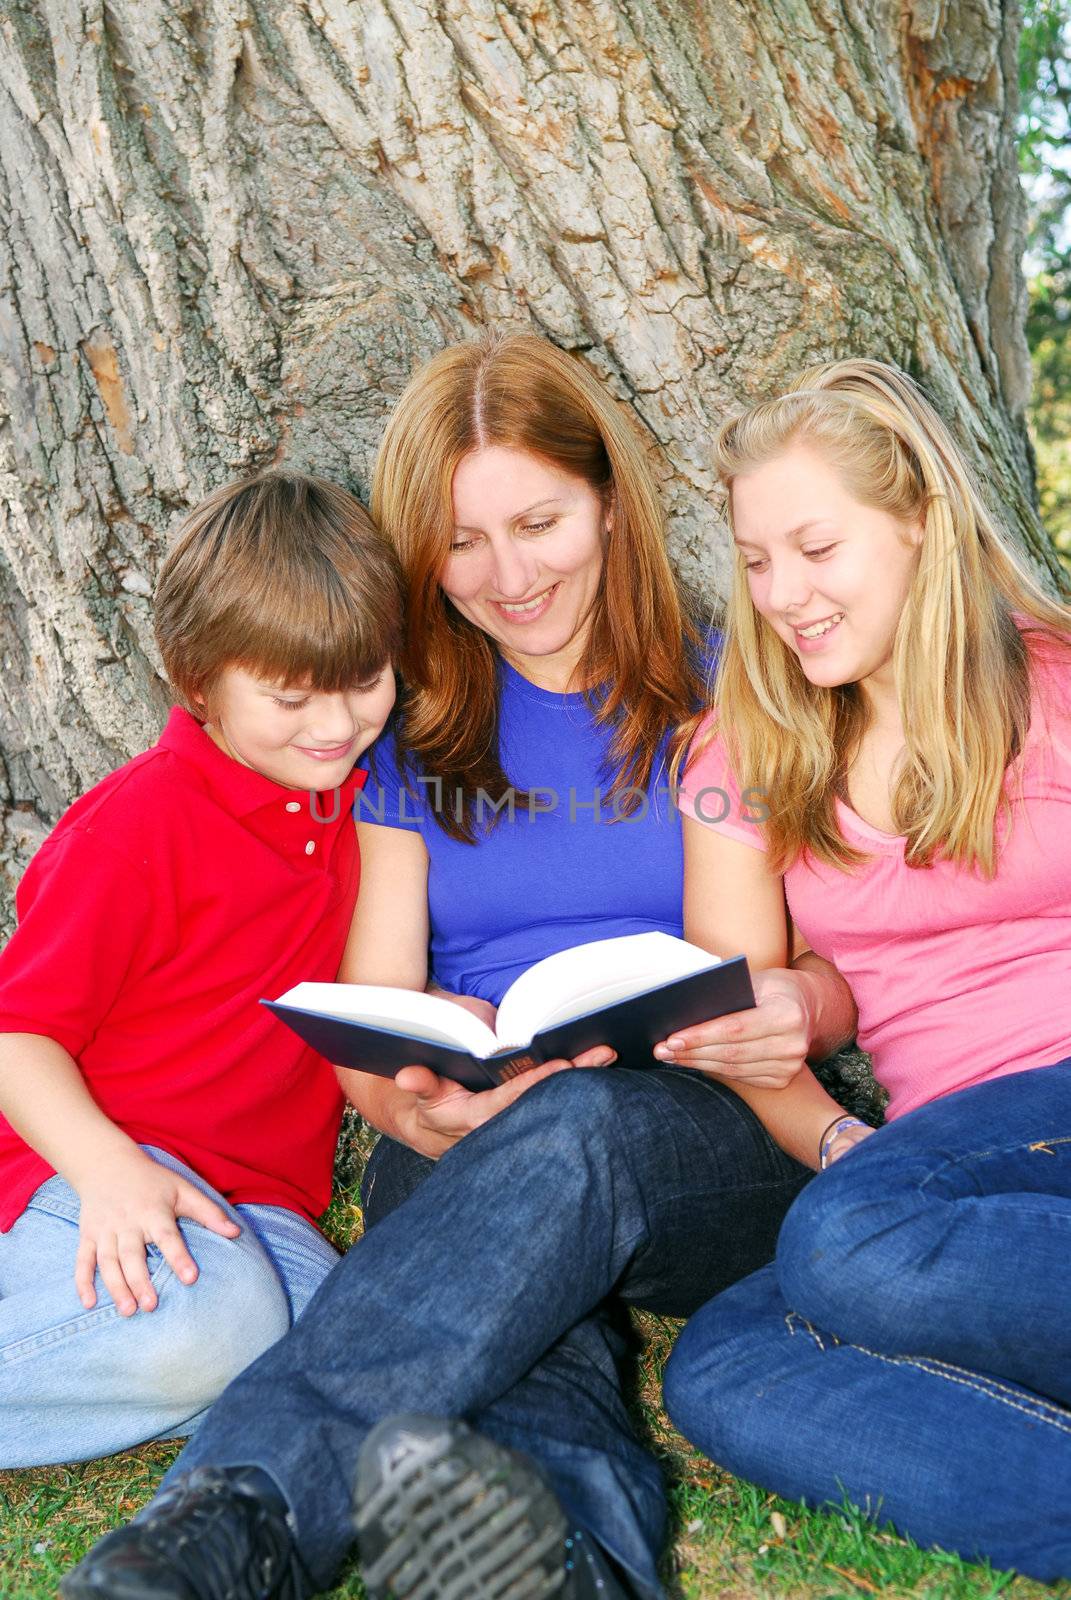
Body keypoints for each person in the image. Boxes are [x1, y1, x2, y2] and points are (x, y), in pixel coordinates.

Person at [63, 332, 859, 1600]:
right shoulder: (413, 724)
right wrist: (413, 1097)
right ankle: (567, 1562)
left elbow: (737, 982)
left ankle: (242, 1506)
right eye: (462, 541)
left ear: (606, 501)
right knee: (497, 1246)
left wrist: (658, 1055)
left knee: (579, 1130)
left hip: (698, 1137)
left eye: (538, 520)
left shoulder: (726, 686)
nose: (508, 575)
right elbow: (379, 1013)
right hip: (477, 1128)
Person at [659, 359, 1071, 1580]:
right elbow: (733, 1022)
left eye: (816, 547)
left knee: (845, 1246)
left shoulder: (1053, 687)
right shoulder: (746, 749)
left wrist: (865, 1199)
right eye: (758, 560)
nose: (784, 593)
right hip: (944, 1173)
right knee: (728, 1363)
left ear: (921, 523)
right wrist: (847, 1144)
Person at [0, 471, 402, 1468]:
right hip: (82, 1170)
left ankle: (161, 1375)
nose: (335, 723)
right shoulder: (136, 829)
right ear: (195, 678)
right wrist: (108, 1168)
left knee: (374, 1362)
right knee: (212, 1325)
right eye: (290, 695)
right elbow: (17, 1037)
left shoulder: (365, 806)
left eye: (364, 679)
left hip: (257, 1205)